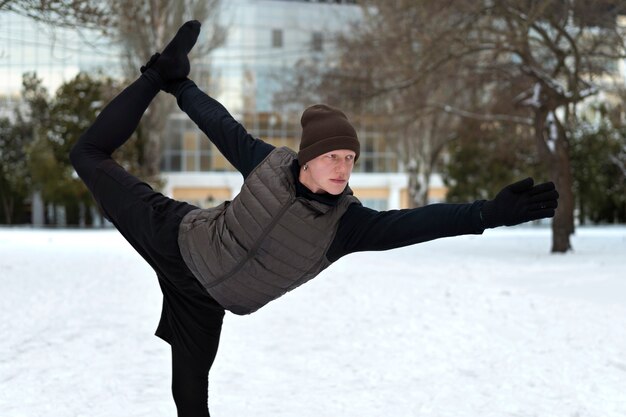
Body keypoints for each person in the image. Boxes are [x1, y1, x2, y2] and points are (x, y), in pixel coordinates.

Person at [69, 20, 559, 416]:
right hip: (177, 237)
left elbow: (419, 222)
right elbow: (220, 124)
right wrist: (177, 84)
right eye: (333, 157)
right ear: (308, 158)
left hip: (206, 301)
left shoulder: (347, 226)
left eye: (351, 159)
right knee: (88, 154)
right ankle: (157, 73)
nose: (343, 168)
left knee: (190, 400)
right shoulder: (267, 163)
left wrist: (487, 214)